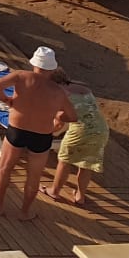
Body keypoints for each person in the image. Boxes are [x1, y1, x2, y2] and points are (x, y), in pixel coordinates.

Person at [0, 47, 76, 220]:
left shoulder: (21, 76)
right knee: (33, 177)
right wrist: (58, 117)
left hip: (17, 129)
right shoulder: (59, 92)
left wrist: (7, 100)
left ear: (34, 63)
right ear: (52, 68)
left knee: (5, 169)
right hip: (41, 135)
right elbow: (73, 116)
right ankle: (24, 212)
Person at [44, 70, 108, 206]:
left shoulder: (60, 95)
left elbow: (59, 122)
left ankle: (54, 191)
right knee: (86, 163)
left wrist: (46, 132)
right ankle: (80, 196)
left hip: (81, 130)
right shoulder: (83, 88)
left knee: (64, 160)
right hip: (100, 129)